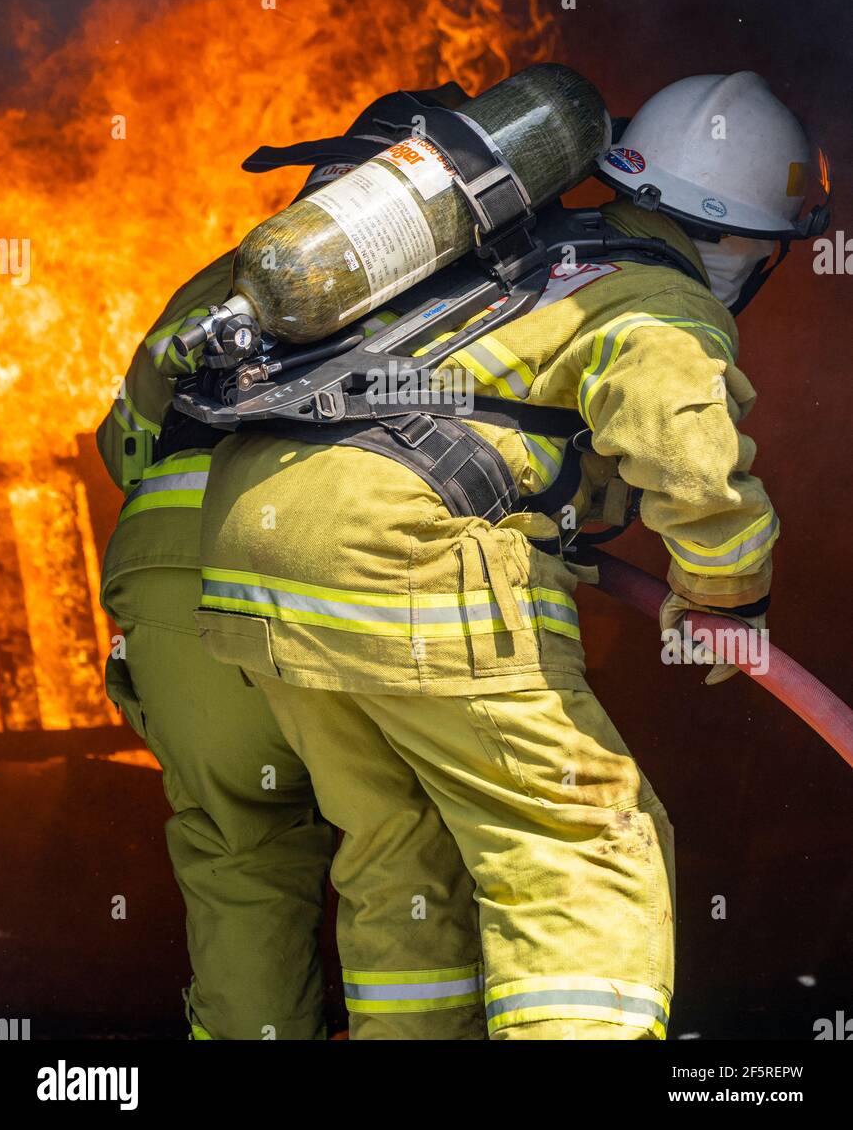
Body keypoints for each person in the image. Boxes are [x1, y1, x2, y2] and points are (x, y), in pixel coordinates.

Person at [194, 70, 826, 1040]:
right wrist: (724, 589)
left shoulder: (524, 255)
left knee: (402, 848)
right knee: (579, 839)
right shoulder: (655, 296)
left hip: (257, 544)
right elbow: (683, 444)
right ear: (746, 244)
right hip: (395, 552)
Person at [98, 82, 477, 1040]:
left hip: (175, 601)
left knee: (240, 853)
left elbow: (125, 445)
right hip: (331, 592)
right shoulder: (478, 282)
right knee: (399, 840)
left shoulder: (226, 281)